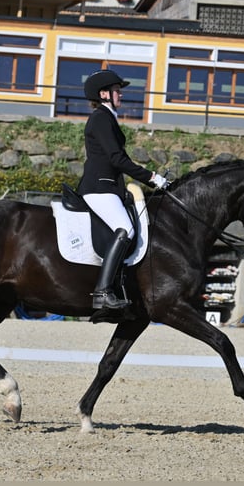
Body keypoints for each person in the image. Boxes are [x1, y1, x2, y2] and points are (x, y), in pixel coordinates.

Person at [77, 68, 169, 310]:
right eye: (118, 91)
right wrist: (152, 177)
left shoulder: (107, 117)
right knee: (125, 229)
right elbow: (117, 159)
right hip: (99, 187)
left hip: (109, 187)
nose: (121, 95)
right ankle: (102, 292)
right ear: (104, 94)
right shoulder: (100, 118)